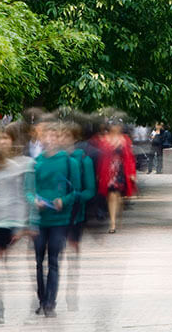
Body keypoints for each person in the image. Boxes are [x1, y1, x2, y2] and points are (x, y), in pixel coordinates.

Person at [0, 122, 34, 324]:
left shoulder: (16, 167)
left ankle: (30, 304)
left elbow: (20, 197)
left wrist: (20, 226)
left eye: (5, 138)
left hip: (11, 222)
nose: (1, 142)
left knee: (13, 268)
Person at [32, 116, 81, 318]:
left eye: (54, 135)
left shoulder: (69, 163)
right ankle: (42, 298)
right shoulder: (36, 163)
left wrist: (64, 200)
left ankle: (50, 302)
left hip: (59, 220)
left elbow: (76, 191)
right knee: (38, 261)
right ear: (41, 139)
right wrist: (33, 200)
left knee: (53, 260)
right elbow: (28, 190)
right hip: (40, 219)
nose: (50, 139)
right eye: (46, 135)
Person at [61, 118, 96, 312]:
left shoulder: (84, 160)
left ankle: (71, 293)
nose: (62, 139)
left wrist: (75, 197)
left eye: (67, 136)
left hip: (75, 214)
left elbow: (90, 190)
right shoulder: (52, 158)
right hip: (54, 214)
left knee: (72, 256)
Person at [95, 117, 137, 234]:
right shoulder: (104, 139)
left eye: (117, 125)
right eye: (113, 125)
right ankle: (113, 221)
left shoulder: (125, 140)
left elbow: (130, 157)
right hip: (107, 171)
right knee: (111, 195)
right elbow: (100, 158)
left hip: (120, 170)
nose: (116, 127)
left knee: (115, 194)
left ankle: (114, 220)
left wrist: (131, 173)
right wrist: (99, 173)